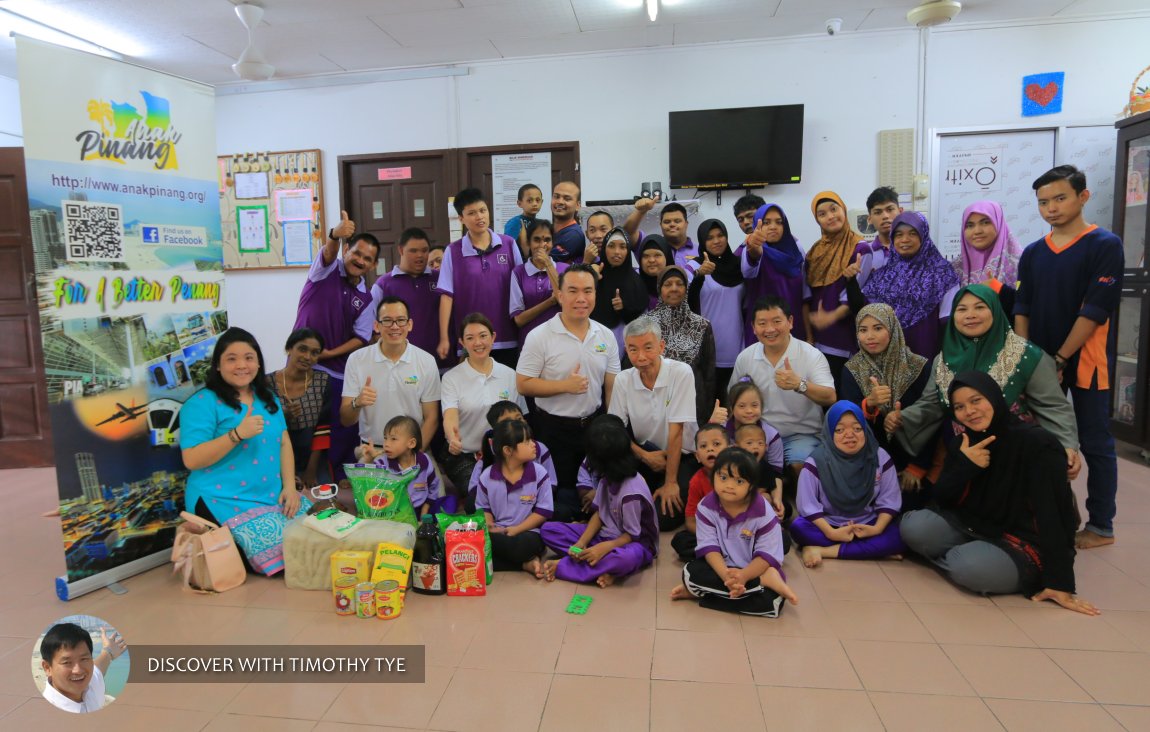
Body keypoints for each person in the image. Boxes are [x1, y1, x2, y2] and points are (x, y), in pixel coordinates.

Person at [900, 372, 1100, 615]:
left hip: (1019, 537)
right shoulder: (963, 441)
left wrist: (1059, 581)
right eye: (960, 407)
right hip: (972, 525)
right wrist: (965, 465)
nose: (970, 411)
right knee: (914, 527)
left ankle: (965, 559)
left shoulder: (1037, 444)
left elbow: (1054, 514)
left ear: (994, 398)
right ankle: (964, 555)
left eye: (976, 401)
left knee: (968, 568)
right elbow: (942, 498)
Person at [1015, 165, 1124, 549]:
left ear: (1083, 196)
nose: (1051, 208)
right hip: (1041, 360)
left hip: (1085, 360)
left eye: (1060, 198)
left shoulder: (1104, 245)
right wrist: (1029, 357)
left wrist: (1059, 358)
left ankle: (1101, 525)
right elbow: (1022, 307)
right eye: (1043, 202)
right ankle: (1050, 516)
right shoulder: (1033, 253)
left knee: (1094, 441)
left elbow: (1095, 309)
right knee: (1041, 439)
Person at [889, 285, 1082, 485]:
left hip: (1018, 459)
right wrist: (901, 418)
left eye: (980, 307)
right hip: (965, 459)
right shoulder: (943, 359)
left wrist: (1067, 446)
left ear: (995, 310)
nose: (970, 315)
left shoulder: (1026, 355)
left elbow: (1053, 406)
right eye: (962, 309)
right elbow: (931, 404)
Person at [180, 327, 307, 575]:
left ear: (258, 362)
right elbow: (192, 459)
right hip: (223, 500)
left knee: (320, 531)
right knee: (293, 553)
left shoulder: (267, 397)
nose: (241, 365)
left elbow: (284, 442)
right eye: (231, 358)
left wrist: (290, 488)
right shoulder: (201, 403)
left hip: (271, 495)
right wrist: (236, 435)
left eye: (249, 357)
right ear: (218, 365)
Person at [517, 264, 621, 521]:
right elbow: (523, 383)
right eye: (573, 291)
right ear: (560, 294)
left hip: (593, 428)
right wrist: (565, 386)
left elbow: (613, 388)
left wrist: (613, 429)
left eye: (588, 291)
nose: (581, 298)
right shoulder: (539, 336)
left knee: (597, 501)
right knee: (562, 506)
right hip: (554, 431)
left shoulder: (605, 335)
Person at [292, 211, 379, 483]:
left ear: (373, 264)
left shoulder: (366, 296)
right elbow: (328, 253)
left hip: (338, 371)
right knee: (301, 423)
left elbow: (361, 337)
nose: (360, 261)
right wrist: (334, 234)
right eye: (357, 253)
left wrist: (330, 353)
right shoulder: (325, 270)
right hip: (303, 364)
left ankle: (338, 475)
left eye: (367, 259)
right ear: (346, 250)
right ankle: (298, 475)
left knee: (340, 425)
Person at [670, 447, 797, 617]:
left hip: (755, 570)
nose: (729, 485)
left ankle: (704, 593)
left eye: (739, 481)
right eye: (723, 477)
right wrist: (726, 577)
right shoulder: (706, 506)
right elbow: (709, 548)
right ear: (713, 477)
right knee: (690, 573)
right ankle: (761, 583)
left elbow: (766, 556)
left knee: (770, 603)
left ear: (752, 485)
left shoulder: (764, 512)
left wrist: (745, 575)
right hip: (723, 568)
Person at [540, 415, 658, 587]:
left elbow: (632, 536)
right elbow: (600, 515)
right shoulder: (607, 477)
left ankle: (565, 567)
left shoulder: (631, 493)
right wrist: (582, 543)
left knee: (625, 559)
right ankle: (605, 568)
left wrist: (604, 548)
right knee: (548, 530)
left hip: (632, 544)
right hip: (603, 536)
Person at [608, 316, 700, 531]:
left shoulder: (681, 372)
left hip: (682, 455)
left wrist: (671, 482)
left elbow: (677, 431)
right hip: (645, 454)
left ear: (661, 346)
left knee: (663, 517)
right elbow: (615, 430)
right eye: (632, 349)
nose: (640, 357)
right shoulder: (623, 379)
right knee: (623, 508)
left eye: (648, 348)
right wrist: (644, 455)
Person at [839, 304, 934, 509]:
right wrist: (869, 405)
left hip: (913, 460)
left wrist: (918, 467)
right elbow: (845, 420)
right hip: (870, 462)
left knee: (910, 511)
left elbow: (932, 418)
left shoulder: (919, 366)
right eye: (863, 330)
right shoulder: (851, 370)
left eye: (878, 328)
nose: (870, 336)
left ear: (893, 329)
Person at [789, 402, 906, 568]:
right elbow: (807, 506)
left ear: (865, 430)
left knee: (900, 535)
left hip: (868, 525)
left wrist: (877, 529)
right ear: (829, 433)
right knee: (798, 528)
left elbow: (890, 499)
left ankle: (823, 551)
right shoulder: (816, 462)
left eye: (857, 429)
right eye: (839, 430)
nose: (850, 435)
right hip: (829, 525)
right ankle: (870, 550)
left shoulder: (879, 457)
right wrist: (832, 533)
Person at [730, 296, 836, 471]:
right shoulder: (745, 357)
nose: (770, 329)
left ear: (790, 322)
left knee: (799, 467)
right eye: (762, 323)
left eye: (777, 321)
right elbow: (732, 397)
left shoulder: (811, 355)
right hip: (758, 433)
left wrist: (799, 384)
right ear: (753, 328)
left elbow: (830, 397)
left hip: (801, 434)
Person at [440, 313, 526, 498]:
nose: (478, 343)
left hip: (504, 455)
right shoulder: (451, 378)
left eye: (483, 336)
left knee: (517, 494)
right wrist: (452, 437)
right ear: (462, 342)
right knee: (481, 497)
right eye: (470, 338)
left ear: (493, 337)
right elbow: (450, 416)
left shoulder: (510, 375)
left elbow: (521, 419)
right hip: (464, 456)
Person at [342, 297, 441, 452]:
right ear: (376, 326)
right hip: (371, 451)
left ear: (410, 324)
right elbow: (346, 419)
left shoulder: (426, 361)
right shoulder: (357, 360)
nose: (394, 327)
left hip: (412, 451)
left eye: (401, 320)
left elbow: (432, 418)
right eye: (387, 321)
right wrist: (357, 402)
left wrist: (413, 455)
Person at [437, 187, 523, 367]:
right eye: (472, 213)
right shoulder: (453, 251)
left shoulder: (508, 244)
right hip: (471, 341)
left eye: (483, 210)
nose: (479, 217)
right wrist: (445, 337)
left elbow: (521, 288)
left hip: (507, 336)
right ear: (461, 218)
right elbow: (446, 296)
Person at [858, 211, 959, 360]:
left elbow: (948, 323)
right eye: (898, 235)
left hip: (925, 355)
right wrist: (849, 281)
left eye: (912, 233)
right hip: (885, 358)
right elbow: (865, 313)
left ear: (923, 236)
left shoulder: (942, 274)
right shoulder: (881, 276)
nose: (905, 239)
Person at [475, 418, 554, 577]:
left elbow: (543, 512)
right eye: (526, 442)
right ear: (508, 450)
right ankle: (524, 564)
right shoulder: (487, 476)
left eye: (532, 439)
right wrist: (490, 525)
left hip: (528, 532)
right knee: (475, 549)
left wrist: (516, 529)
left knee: (522, 546)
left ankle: (512, 559)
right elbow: (484, 508)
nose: (533, 444)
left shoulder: (539, 473)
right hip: (499, 532)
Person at [805, 192, 863, 385]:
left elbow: (860, 296)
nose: (830, 216)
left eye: (834, 209)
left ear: (843, 210)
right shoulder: (813, 252)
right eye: (822, 214)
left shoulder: (859, 247)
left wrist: (830, 317)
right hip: (819, 341)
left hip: (846, 338)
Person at [370, 227, 447, 368]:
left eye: (424, 251)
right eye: (413, 251)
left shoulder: (442, 280)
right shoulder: (383, 285)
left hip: (442, 363)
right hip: (400, 367)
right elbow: (373, 329)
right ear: (401, 251)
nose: (420, 255)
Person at [648, 266, 716, 423]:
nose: (674, 289)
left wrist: (706, 412)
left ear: (686, 288)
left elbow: (709, 374)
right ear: (659, 289)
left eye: (679, 284)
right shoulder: (646, 325)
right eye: (668, 284)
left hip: (693, 402)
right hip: (656, 402)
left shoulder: (701, 325)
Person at [267, 328, 331, 489]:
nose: (308, 357)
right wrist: (284, 416)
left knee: (322, 502)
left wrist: (311, 470)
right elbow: (263, 426)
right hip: (274, 458)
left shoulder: (323, 381)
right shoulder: (266, 383)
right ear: (289, 348)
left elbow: (324, 428)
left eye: (315, 353)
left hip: (312, 458)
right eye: (302, 349)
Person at [688, 218, 745, 396]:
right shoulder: (694, 266)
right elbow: (683, 299)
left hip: (738, 346)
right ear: (702, 241)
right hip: (708, 349)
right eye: (710, 237)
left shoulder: (739, 265)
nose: (716, 241)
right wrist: (699, 274)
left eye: (720, 235)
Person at [740, 203, 806, 343]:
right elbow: (750, 265)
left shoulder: (796, 252)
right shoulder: (753, 250)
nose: (773, 226)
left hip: (794, 328)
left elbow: (805, 294)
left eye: (779, 222)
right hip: (765, 332)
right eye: (766, 222)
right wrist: (753, 247)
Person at [467, 401, 556, 497]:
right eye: (508, 421)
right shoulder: (490, 452)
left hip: (532, 501)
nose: (516, 424)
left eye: (519, 418)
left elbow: (551, 483)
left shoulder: (538, 448)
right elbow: (473, 489)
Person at [710, 380, 785, 488]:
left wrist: (776, 498)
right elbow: (702, 453)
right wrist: (711, 424)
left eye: (754, 405)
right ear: (731, 408)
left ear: (761, 407)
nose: (749, 410)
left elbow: (776, 472)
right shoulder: (720, 430)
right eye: (742, 406)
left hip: (761, 486)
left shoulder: (772, 435)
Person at [670, 423, 729, 561]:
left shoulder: (739, 473)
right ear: (697, 456)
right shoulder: (696, 481)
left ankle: (723, 552)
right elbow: (690, 521)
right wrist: (713, 536)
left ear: (730, 449)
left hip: (740, 531)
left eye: (716, 444)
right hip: (712, 532)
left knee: (780, 538)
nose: (710, 449)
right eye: (703, 446)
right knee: (681, 541)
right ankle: (721, 552)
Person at [360, 415, 440, 516]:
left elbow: (433, 486)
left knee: (448, 504)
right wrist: (368, 459)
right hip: (392, 512)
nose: (386, 444)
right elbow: (363, 482)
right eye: (385, 438)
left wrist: (425, 510)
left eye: (393, 439)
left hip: (420, 508)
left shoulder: (424, 461)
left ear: (411, 443)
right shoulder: (382, 463)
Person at [39, 623, 126, 713]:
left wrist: (109, 651)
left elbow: (99, 666)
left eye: (84, 659)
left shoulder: (90, 685)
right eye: (67, 662)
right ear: (47, 668)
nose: (78, 670)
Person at [956, 200, 1022, 315]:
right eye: (970, 225)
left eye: (985, 222)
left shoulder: (1021, 262)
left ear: (998, 223)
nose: (977, 231)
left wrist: (999, 288)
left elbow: (1030, 305)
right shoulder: (954, 269)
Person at [510, 219, 567, 348]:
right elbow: (518, 320)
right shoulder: (519, 273)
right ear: (529, 243)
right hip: (530, 345)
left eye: (547, 240)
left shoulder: (565, 269)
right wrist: (550, 302)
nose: (542, 245)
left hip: (560, 343)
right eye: (537, 240)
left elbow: (565, 301)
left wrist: (548, 264)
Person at [590, 227, 648, 352]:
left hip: (628, 348)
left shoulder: (636, 282)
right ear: (604, 248)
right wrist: (592, 281)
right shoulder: (593, 274)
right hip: (595, 343)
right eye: (611, 246)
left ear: (628, 251)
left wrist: (625, 307)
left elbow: (641, 317)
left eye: (622, 247)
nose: (617, 252)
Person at [854, 186, 903, 287]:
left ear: (900, 212)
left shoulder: (914, 251)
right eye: (878, 212)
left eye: (890, 209)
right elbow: (856, 291)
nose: (885, 216)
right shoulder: (863, 253)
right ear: (870, 219)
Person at [550, 181, 585, 263]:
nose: (560, 202)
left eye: (567, 199)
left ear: (577, 205)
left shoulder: (573, 235)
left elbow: (541, 263)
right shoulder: (547, 228)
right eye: (556, 197)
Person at [504, 183, 543, 257]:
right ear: (519, 203)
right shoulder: (515, 222)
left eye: (537, 200)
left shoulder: (540, 224)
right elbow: (508, 247)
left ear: (542, 202)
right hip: (519, 264)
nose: (534, 204)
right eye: (529, 200)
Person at [638, 235, 675, 310]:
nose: (651, 260)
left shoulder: (679, 286)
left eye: (657, 255)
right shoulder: (634, 286)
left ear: (667, 257)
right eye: (646, 256)